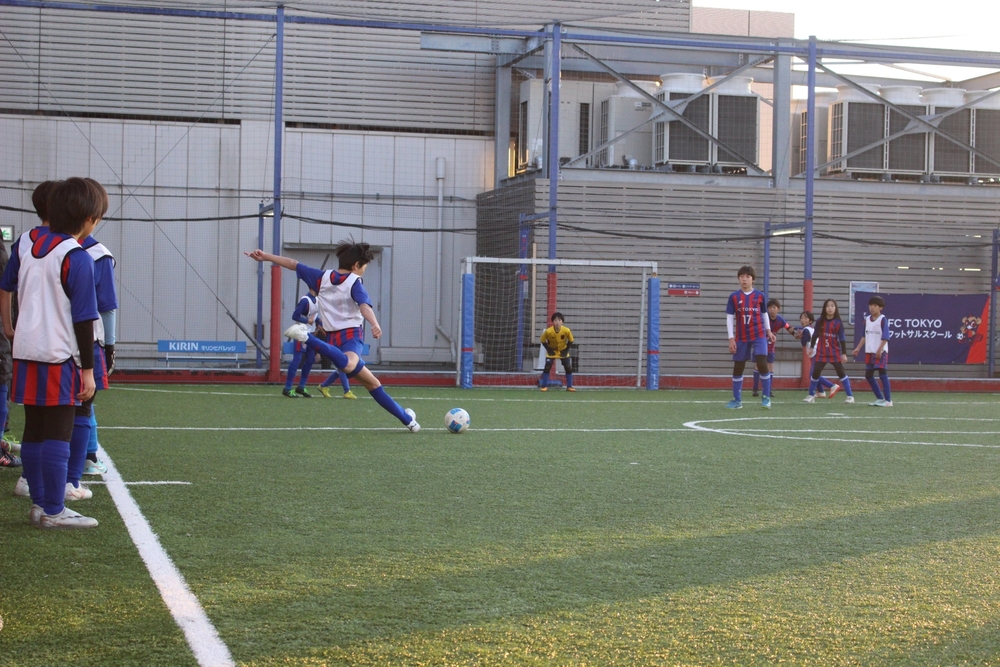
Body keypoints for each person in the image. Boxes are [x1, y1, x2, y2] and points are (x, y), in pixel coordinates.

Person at [1, 177, 101, 528]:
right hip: (59, 355)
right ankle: (55, 510)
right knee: (59, 432)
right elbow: (85, 319)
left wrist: (10, 327)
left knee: (34, 429)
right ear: (88, 218)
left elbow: (8, 287)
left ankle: (40, 504)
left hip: (25, 350)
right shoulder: (77, 256)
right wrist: (88, 371)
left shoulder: (27, 244)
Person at [245, 243, 419, 432]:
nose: (364, 271)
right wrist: (375, 323)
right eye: (364, 267)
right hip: (351, 335)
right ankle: (307, 337)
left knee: (373, 384)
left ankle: (408, 420)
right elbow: (364, 306)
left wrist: (266, 256)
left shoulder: (322, 277)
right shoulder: (355, 282)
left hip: (332, 339)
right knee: (349, 365)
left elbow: (293, 264)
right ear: (356, 265)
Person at [80, 177, 116, 476]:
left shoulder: (28, 245)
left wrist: (11, 327)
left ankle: (32, 474)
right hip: (83, 342)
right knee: (83, 403)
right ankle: (86, 458)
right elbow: (106, 307)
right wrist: (110, 345)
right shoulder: (95, 255)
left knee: (42, 408)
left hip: (35, 343)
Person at [726, 266, 775, 409]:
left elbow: (764, 314)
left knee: (762, 363)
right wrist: (731, 338)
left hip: (759, 335)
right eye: (742, 276)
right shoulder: (734, 297)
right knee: (738, 367)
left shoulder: (759, 295)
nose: (744, 279)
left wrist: (769, 331)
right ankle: (737, 400)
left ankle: (766, 398)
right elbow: (729, 317)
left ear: (753, 279)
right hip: (741, 337)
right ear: (738, 279)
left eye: (747, 276)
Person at [804, 299, 854, 404]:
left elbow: (842, 339)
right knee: (815, 373)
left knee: (841, 373)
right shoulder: (820, 321)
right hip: (821, 352)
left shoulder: (838, 323)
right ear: (824, 308)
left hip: (834, 352)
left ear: (835, 308)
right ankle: (811, 395)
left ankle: (850, 396)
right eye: (827, 306)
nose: (830, 308)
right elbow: (815, 335)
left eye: (832, 306)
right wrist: (812, 347)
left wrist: (844, 354)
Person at [852, 295, 892, 407]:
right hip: (869, 351)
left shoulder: (882, 319)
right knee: (868, 375)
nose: (872, 307)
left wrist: (879, 350)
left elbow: (886, 337)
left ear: (880, 307)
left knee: (882, 374)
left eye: (875, 305)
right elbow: (864, 336)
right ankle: (880, 398)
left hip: (880, 352)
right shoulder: (867, 320)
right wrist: (858, 348)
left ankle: (888, 400)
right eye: (870, 305)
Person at [282, 287, 319, 398]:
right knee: (297, 360)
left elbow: (313, 315)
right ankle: (287, 388)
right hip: (301, 332)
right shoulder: (305, 301)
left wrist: (319, 322)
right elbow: (295, 316)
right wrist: (307, 321)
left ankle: (301, 386)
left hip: (311, 333)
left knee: (311, 359)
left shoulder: (317, 300)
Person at [793, 311, 837, 399]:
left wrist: (801, 336)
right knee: (815, 374)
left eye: (805, 318)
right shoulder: (811, 328)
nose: (803, 320)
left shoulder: (806, 330)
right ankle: (821, 391)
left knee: (812, 375)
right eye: (801, 318)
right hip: (817, 353)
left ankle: (832, 386)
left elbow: (803, 343)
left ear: (810, 321)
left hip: (816, 353)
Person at [753, 298, 792, 398]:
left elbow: (788, 327)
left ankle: (769, 390)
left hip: (771, 347)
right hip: (760, 345)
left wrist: (796, 334)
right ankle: (755, 389)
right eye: (770, 308)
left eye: (774, 308)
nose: (772, 310)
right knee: (758, 365)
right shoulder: (764, 318)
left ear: (778, 309)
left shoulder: (780, 320)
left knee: (770, 366)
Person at [539, 312, 575, 392]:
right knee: (547, 366)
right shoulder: (548, 331)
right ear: (552, 322)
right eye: (555, 320)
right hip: (552, 351)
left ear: (562, 322)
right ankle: (544, 386)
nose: (557, 322)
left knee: (568, 367)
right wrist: (549, 349)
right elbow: (542, 340)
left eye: (559, 320)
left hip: (563, 350)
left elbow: (571, 340)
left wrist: (566, 350)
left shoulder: (566, 330)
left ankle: (569, 386)